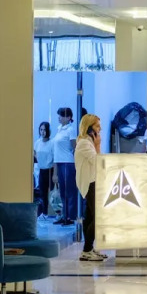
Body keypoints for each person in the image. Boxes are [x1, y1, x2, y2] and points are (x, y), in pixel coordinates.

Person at [75, 114, 107, 261]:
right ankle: (87, 250)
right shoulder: (84, 144)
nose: (100, 129)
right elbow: (97, 161)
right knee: (99, 216)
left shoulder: (88, 143)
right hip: (89, 183)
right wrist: (98, 145)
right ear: (88, 128)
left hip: (93, 181)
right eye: (97, 126)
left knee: (90, 216)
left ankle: (88, 249)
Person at [52, 107, 77, 226]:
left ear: (68, 117)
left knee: (69, 191)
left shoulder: (70, 130)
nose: (59, 118)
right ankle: (64, 215)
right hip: (60, 162)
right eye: (59, 115)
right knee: (62, 191)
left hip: (68, 162)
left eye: (62, 116)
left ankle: (71, 216)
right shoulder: (59, 129)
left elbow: (74, 147)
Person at [34, 122, 54, 218]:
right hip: (41, 170)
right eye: (41, 130)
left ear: (48, 131)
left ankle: (54, 213)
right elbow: (34, 153)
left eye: (44, 130)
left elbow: (55, 158)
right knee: (42, 193)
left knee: (52, 193)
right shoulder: (38, 142)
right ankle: (44, 213)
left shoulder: (52, 143)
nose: (42, 132)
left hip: (50, 170)